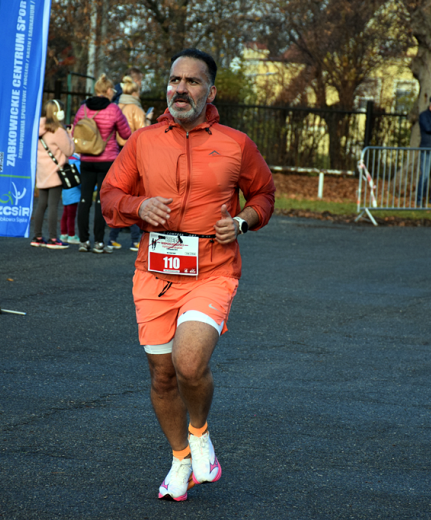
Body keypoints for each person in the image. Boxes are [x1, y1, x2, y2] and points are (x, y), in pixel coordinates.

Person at [100, 49, 276, 502]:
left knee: (189, 363)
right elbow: (110, 195)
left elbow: (264, 195)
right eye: (175, 80)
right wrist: (138, 206)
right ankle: (181, 460)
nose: (181, 88)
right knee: (161, 376)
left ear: (210, 91)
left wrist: (241, 222)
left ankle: (200, 436)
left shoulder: (236, 143)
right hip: (154, 272)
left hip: (212, 268)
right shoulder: (142, 141)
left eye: (192, 82)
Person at [72, 74, 131, 254]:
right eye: (112, 89)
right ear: (106, 90)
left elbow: (75, 131)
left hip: (87, 159)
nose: (113, 92)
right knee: (101, 201)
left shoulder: (82, 109)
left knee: (84, 200)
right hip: (107, 160)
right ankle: (99, 242)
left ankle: (83, 241)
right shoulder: (113, 109)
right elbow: (126, 132)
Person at [108, 74, 150, 251]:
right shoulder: (136, 109)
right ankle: (135, 239)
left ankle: (112, 237)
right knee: (134, 197)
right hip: (133, 154)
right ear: (135, 92)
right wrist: (148, 119)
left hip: (116, 153)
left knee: (121, 196)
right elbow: (142, 135)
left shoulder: (117, 105)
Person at [30, 99, 75, 249]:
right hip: (56, 173)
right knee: (53, 205)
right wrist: (70, 136)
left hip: (42, 172)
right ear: (57, 112)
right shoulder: (58, 131)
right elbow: (69, 151)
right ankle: (53, 238)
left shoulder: (38, 127)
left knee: (42, 204)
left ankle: (37, 236)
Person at [60, 152, 82, 245]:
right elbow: (81, 180)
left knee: (65, 214)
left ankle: (63, 234)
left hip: (65, 191)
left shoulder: (65, 160)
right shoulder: (78, 163)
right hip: (74, 193)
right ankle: (72, 235)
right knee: (71, 215)